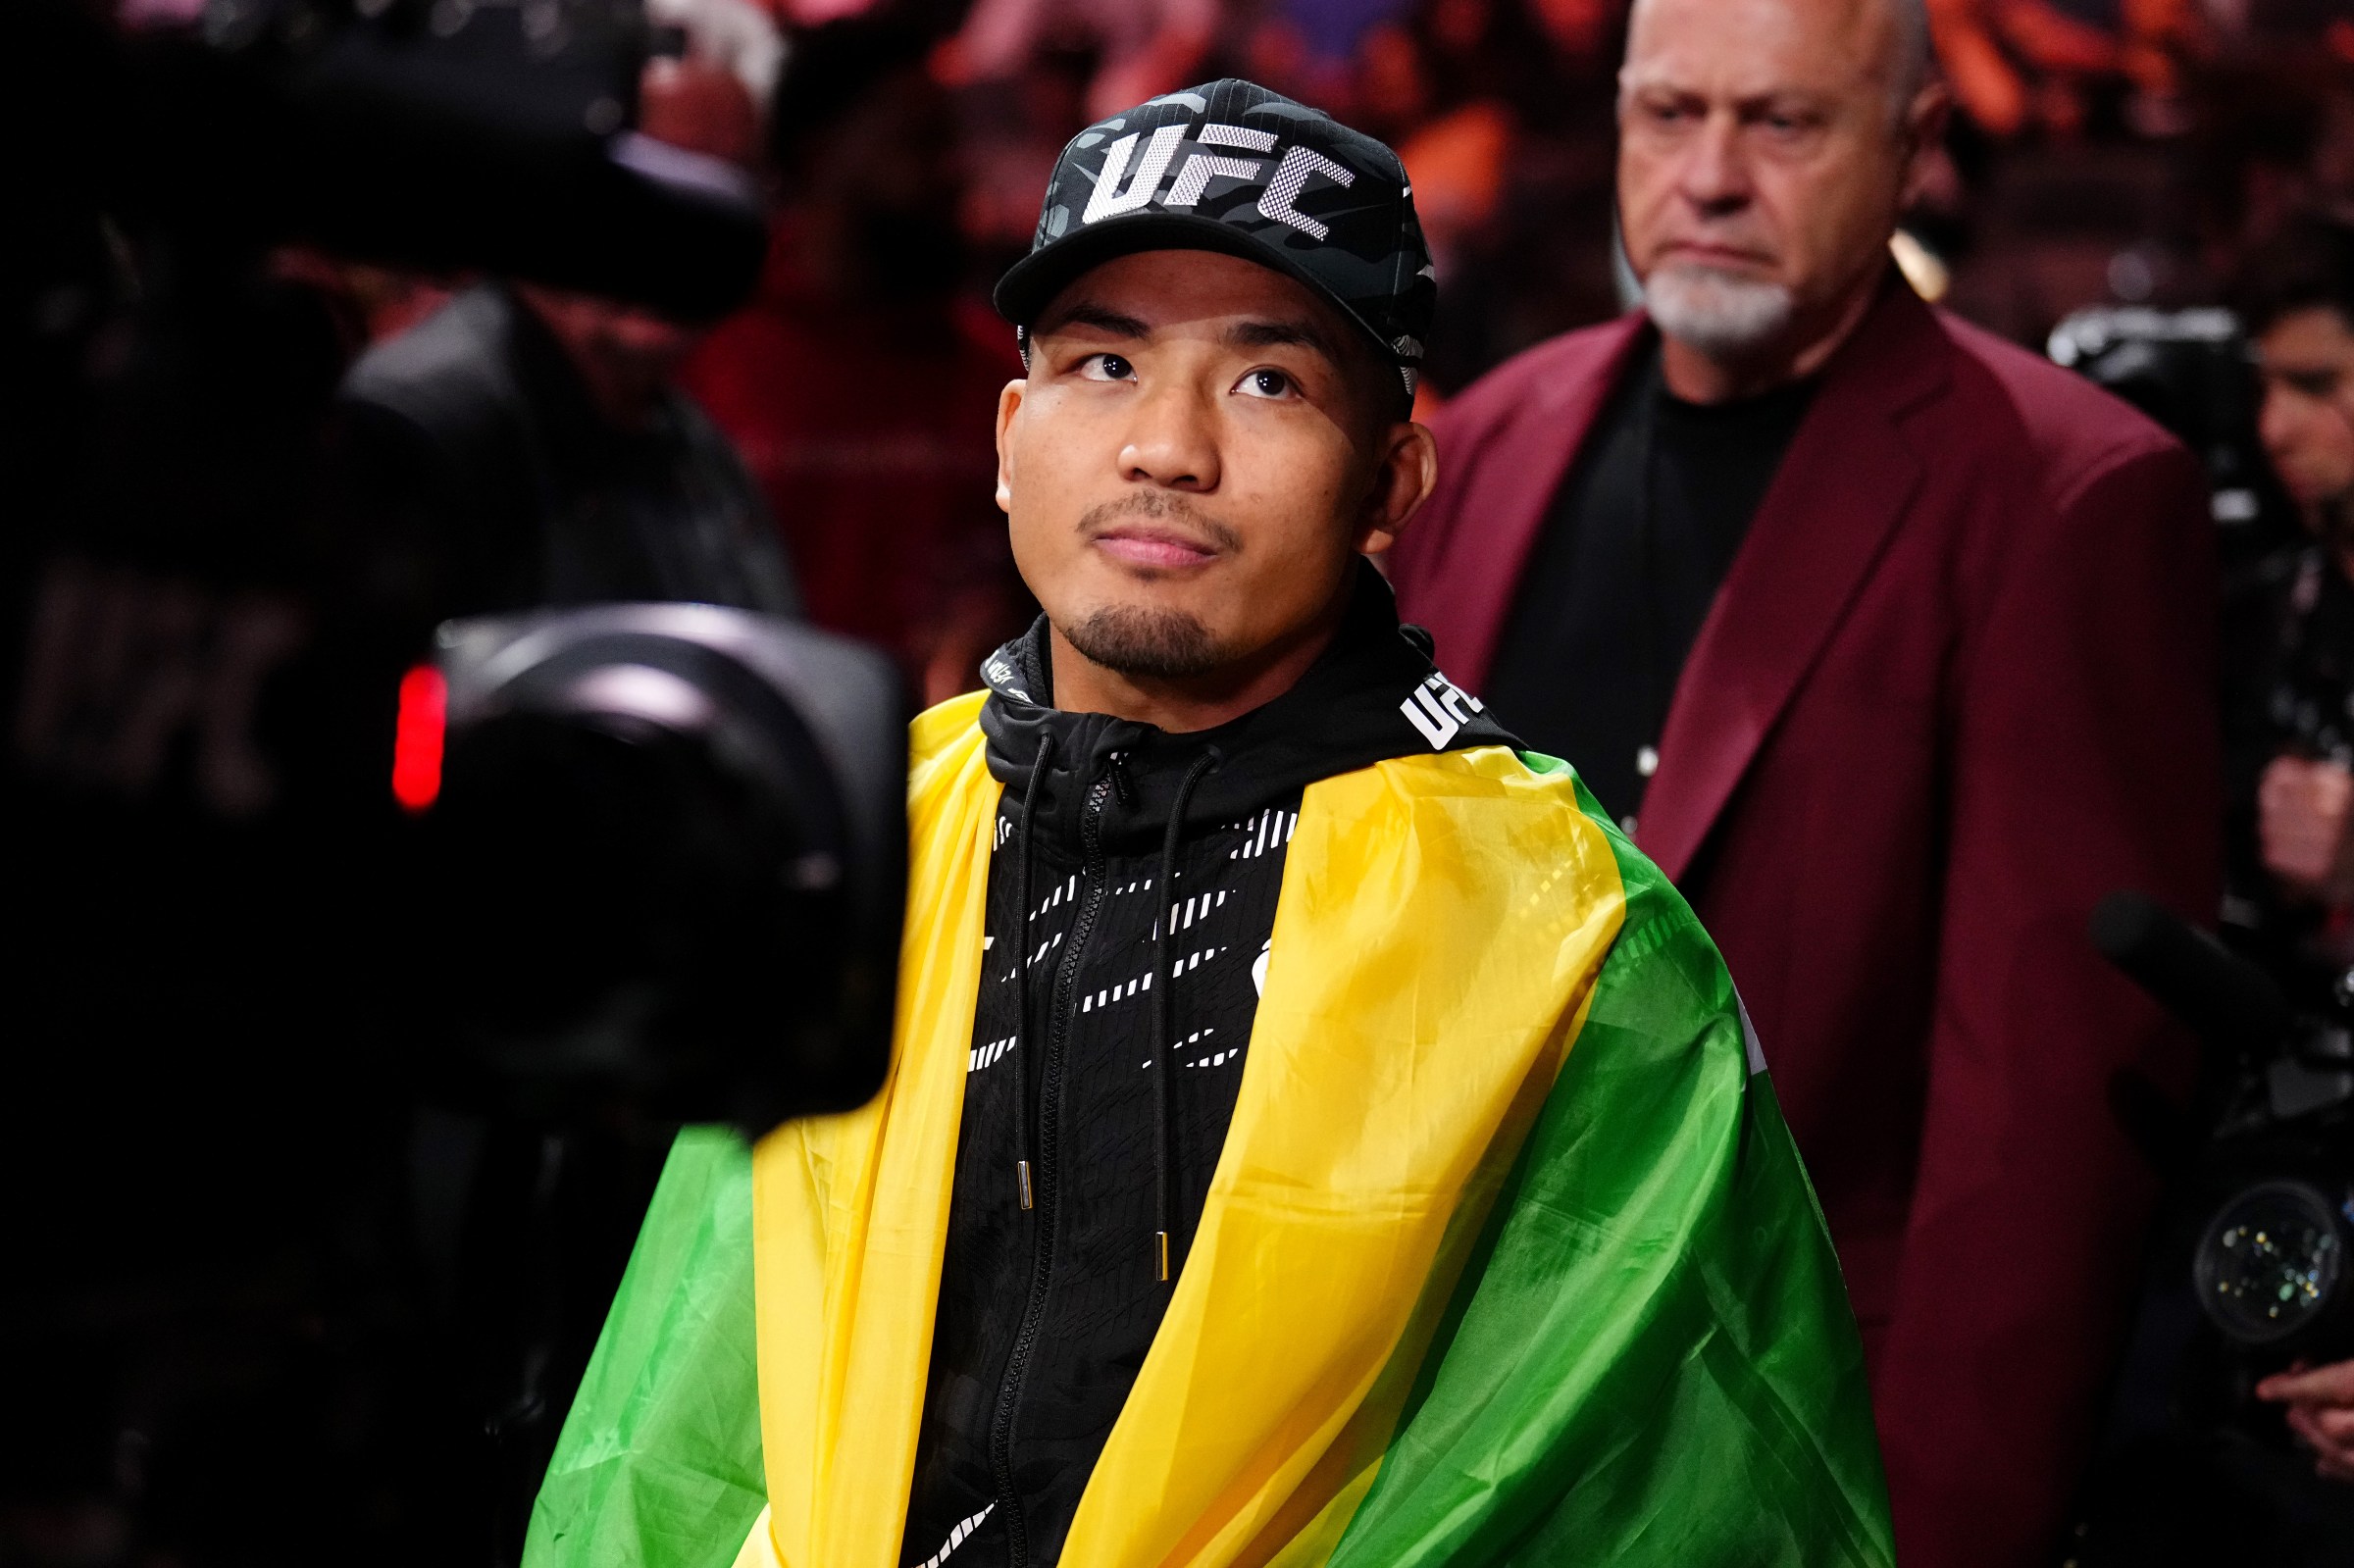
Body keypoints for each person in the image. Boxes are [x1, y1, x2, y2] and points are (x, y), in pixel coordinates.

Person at [527, 79, 1891, 1568]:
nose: (1165, 447)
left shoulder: (1563, 932)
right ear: (1007, 434)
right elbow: (678, 1448)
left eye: (1269, 383)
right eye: (1104, 361)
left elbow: (1684, 1496)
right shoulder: (864, 840)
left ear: (1394, 478)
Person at [1383, 1, 2224, 1563]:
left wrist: (1931, 1529)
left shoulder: (2067, 493)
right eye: (1670, 116)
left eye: (1782, 124)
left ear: (1911, 152)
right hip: (1456, 1423)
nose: (1709, 175)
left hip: (1790, 1430)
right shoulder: (1491, 441)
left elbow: (2043, 1131)